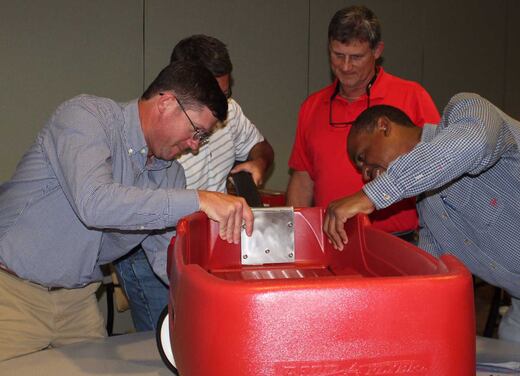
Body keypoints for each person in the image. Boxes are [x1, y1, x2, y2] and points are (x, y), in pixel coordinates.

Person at [0, 60, 254, 361]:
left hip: (77, 302)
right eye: (195, 131)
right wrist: (199, 199)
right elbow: (95, 204)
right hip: (11, 295)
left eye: (201, 137)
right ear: (167, 102)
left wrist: (218, 302)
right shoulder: (85, 118)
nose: (194, 146)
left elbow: (166, 259)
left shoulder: (170, 175)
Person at [323, 94, 520, 363]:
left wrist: (371, 195)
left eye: (362, 157)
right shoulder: (429, 208)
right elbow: (431, 276)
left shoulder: (465, 111)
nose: (364, 173)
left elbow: (474, 144)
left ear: (384, 126)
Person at [114, 34, 275, 332]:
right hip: (152, 249)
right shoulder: (158, 136)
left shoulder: (230, 111)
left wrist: (257, 163)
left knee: (205, 335)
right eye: (212, 95)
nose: (219, 106)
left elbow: (262, 147)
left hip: (205, 246)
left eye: (224, 94)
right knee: (163, 345)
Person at [287, 5, 440, 241]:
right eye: (338, 55)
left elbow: (439, 164)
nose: (345, 67)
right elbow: (302, 179)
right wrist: (293, 236)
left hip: (398, 239)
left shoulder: (412, 96)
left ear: (377, 51)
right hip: (332, 239)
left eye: (356, 57)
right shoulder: (312, 107)